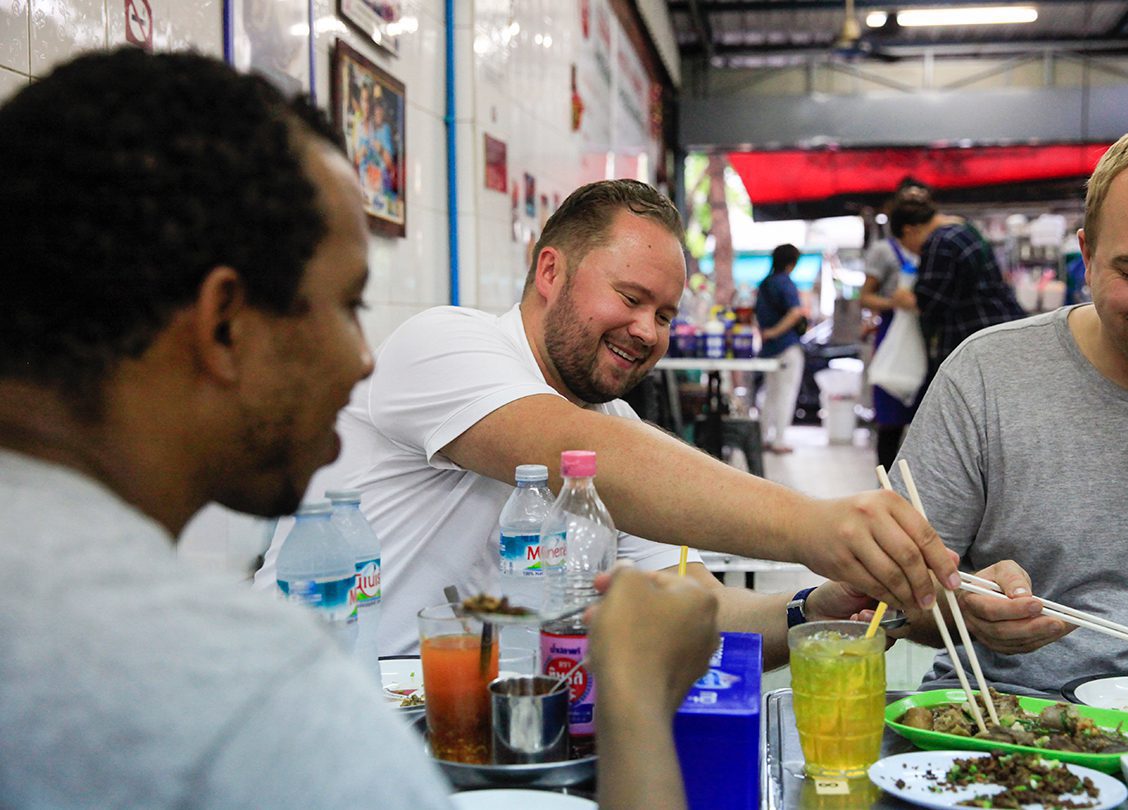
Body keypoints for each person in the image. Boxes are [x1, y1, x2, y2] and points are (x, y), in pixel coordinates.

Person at [0, 48, 719, 809]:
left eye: (664, 313)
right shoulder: (250, 700)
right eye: (345, 306)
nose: (361, 358)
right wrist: (635, 697)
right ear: (223, 326)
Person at [256, 179, 961, 669]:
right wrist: (817, 527)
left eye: (663, 315)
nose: (646, 332)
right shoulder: (444, 344)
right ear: (550, 270)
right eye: (629, 297)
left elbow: (696, 610)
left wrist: (819, 606)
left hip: (504, 737)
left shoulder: (615, 429)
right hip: (341, 710)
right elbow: (571, 451)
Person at [891, 123, 1128, 694]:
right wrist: (964, 607)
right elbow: (893, 597)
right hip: (1008, 723)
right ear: (1087, 255)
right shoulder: (988, 375)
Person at [909, 199, 1026, 376]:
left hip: (970, 333)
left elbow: (932, 301)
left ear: (908, 230)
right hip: (999, 328)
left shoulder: (940, 241)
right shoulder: (966, 229)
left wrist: (910, 300)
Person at [861, 199, 926, 470]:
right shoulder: (883, 252)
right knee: (890, 418)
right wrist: (895, 303)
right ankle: (886, 483)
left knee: (923, 419)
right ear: (909, 228)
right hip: (892, 335)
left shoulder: (930, 249)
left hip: (921, 337)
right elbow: (865, 297)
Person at [755, 243, 809, 453]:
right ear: (792, 263)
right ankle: (779, 440)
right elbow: (795, 312)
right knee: (785, 394)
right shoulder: (785, 283)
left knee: (770, 393)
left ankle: (762, 436)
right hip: (787, 347)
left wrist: (767, 334)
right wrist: (777, 332)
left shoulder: (764, 284)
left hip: (769, 349)